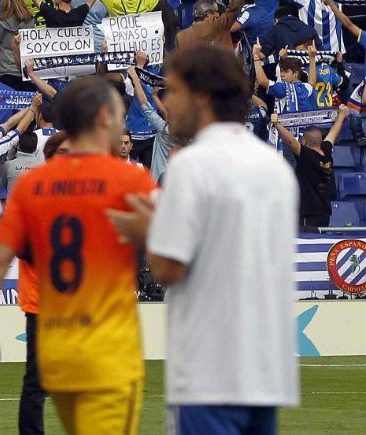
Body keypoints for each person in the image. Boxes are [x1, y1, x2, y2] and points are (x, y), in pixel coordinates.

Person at [107, 45, 300, 434]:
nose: (167, 103)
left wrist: (150, 232)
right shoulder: (273, 167)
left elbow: (168, 267)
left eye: (172, 91)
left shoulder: (191, 166)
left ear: (201, 97)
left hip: (209, 365)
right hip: (265, 366)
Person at [0, 76, 157, 435]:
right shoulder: (130, 180)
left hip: (55, 346)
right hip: (105, 349)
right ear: (105, 117)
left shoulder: (32, 185)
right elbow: (175, 259)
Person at [274, 106, 349, 230]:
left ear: (305, 142)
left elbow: (290, 141)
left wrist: (276, 124)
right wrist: (341, 116)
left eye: (302, 139)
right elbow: (333, 133)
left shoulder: (307, 155)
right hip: (324, 214)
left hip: (307, 216)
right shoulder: (326, 151)